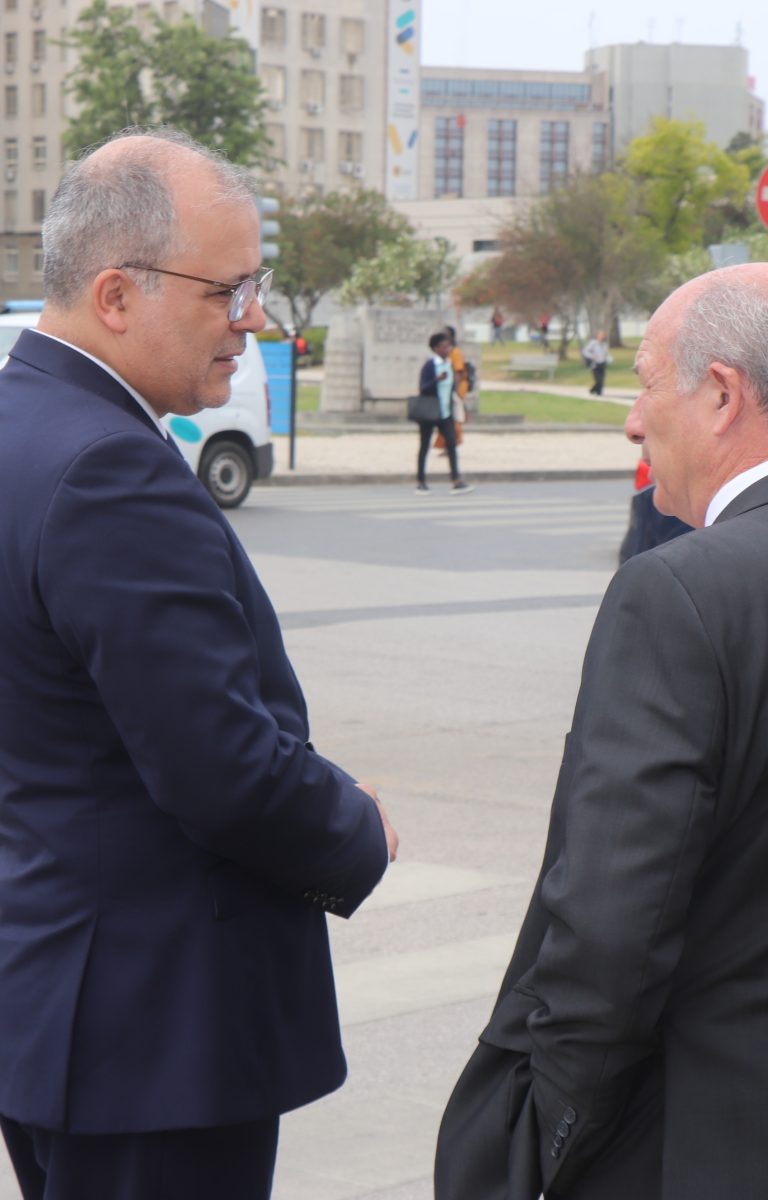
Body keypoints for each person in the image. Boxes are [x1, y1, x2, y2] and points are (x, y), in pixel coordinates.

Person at [0, 126, 398, 1200]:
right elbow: (222, 771)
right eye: (228, 291)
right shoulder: (108, 470)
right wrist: (356, 827)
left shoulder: (22, 424)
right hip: (150, 1039)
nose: (253, 319)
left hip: (62, 1003)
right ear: (115, 295)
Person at [435, 261, 768, 1200]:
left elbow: (616, 920)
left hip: (700, 1136)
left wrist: (546, 1129)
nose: (631, 420)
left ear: (722, 396)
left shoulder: (678, 594)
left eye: (646, 384)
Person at [414, 331, 473, 494]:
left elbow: (452, 389)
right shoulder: (430, 365)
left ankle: (456, 480)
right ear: (436, 348)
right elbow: (423, 388)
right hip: (429, 412)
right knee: (424, 446)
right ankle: (421, 481)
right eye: (443, 347)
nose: (447, 350)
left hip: (445, 413)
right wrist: (436, 380)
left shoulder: (450, 364)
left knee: (451, 445)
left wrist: (462, 407)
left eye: (448, 346)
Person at [435, 324, 468, 452]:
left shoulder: (455, 352)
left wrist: (454, 390)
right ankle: (446, 445)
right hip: (448, 389)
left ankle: (452, 445)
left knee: (454, 418)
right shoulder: (446, 353)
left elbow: (458, 372)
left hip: (455, 390)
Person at [583, 328, 610, 395]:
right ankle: (594, 391)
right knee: (598, 380)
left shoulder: (604, 344)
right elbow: (585, 351)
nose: (602, 336)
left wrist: (607, 358)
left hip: (602, 364)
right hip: (595, 365)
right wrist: (592, 356)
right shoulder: (593, 343)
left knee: (602, 380)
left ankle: (598, 392)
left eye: (603, 335)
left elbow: (606, 354)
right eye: (600, 335)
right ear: (597, 336)